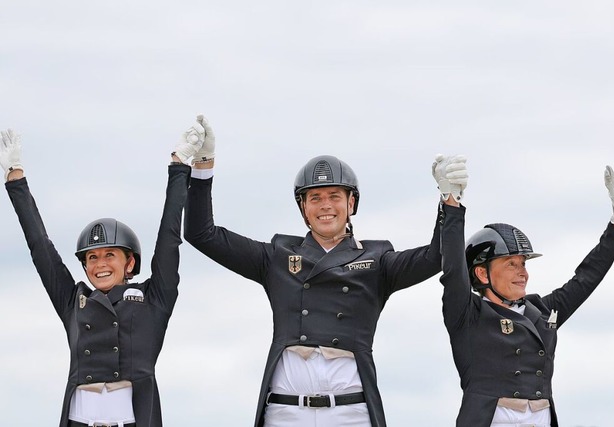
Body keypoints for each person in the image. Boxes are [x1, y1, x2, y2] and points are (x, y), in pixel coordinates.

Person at [182, 116, 469, 427]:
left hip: (351, 413)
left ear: (351, 202)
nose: (325, 206)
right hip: (285, 412)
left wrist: (449, 201)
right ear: (304, 207)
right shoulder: (277, 256)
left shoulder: (377, 260)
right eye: (315, 198)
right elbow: (202, 234)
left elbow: (436, 256)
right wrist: (202, 167)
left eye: (335, 196)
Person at [0, 116, 213, 427]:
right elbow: (40, 247)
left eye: (109, 255)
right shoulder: (73, 301)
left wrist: (179, 167)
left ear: (129, 263)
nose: (99, 264)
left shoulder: (154, 298)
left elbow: (169, 237)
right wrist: (15, 179)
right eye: (92, 258)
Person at [434, 157, 614, 427]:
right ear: (482, 273)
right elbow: (454, 269)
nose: (523, 272)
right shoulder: (467, 313)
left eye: (523, 264)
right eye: (511, 264)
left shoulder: (541, 311)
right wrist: (451, 203)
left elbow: (585, 279)